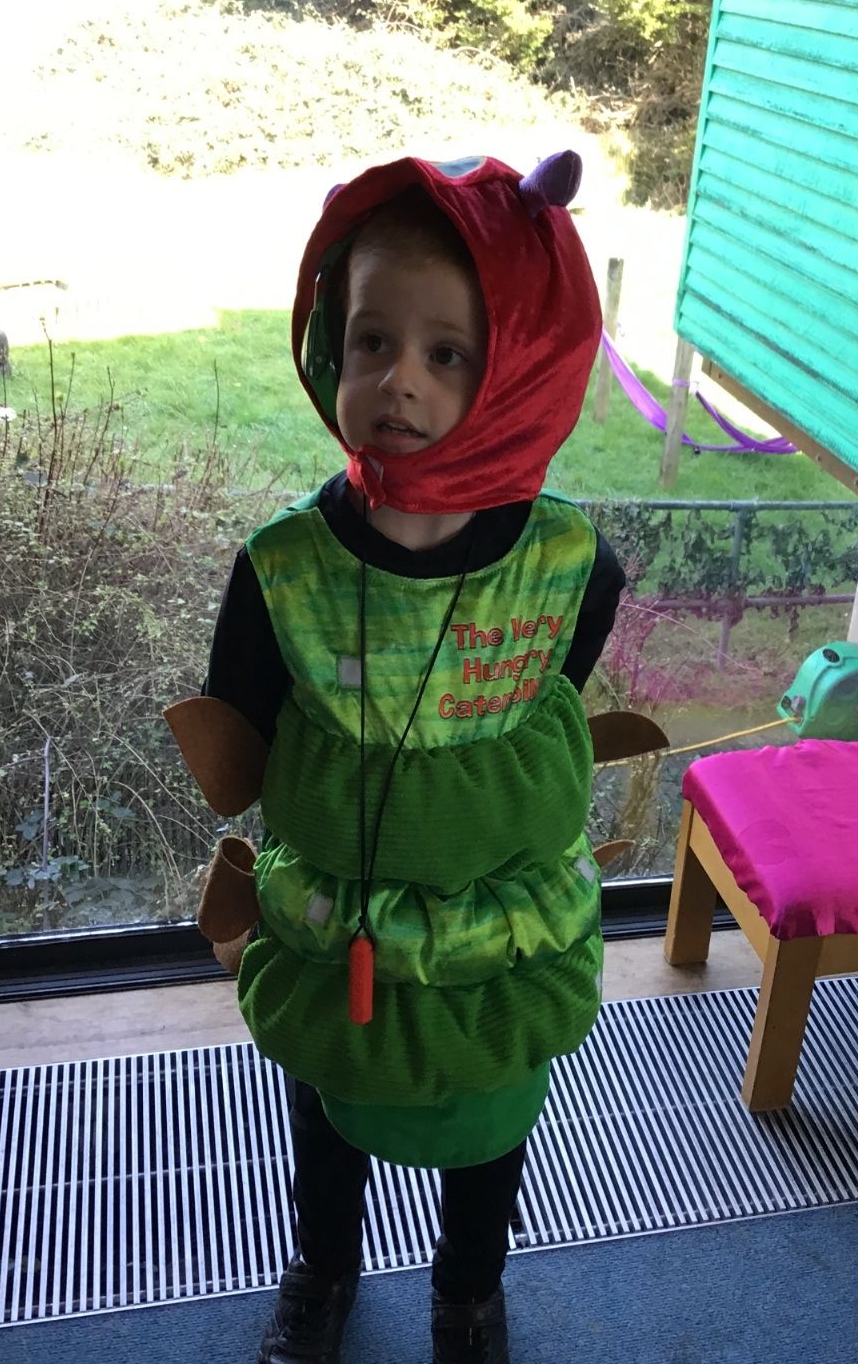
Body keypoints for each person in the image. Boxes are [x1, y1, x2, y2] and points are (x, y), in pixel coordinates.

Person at [202, 152, 625, 1364]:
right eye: (372, 340)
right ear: (329, 343)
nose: (400, 379)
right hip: (336, 917)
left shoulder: (570, 565)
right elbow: (242, 718)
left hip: (499, 925)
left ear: (519, 368)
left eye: (449, 353)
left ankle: (469, 1290)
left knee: (492, 1102)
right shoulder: (283, 567)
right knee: (329, 1097)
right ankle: (323, 1269)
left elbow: (556, 685)